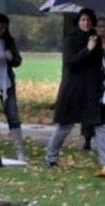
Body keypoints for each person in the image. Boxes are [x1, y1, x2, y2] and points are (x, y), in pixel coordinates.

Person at [43, 8, 100, 168]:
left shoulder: (96, 39)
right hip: (73, 89)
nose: (86, 23)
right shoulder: (71, 39)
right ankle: (50, 157)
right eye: (83, 20)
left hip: (90, 90)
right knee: (65, 125)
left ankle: (103, 160)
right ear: (78, 21)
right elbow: (71, 62)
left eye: (88, 20)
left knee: (99, 124)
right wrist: (87, 50)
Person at [0, 14, 26, 162]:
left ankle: (19, 151)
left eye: (4, 28)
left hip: (7, 84)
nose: (2, 30)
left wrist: (10, 57)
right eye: (0, 27)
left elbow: (18, 61)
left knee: (13, 116)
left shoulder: (8, 41)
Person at [94, 17, 105, 177]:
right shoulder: (93, 44)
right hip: (99, 92)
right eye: (100, 26)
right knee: (100, 126)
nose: (101, 29)